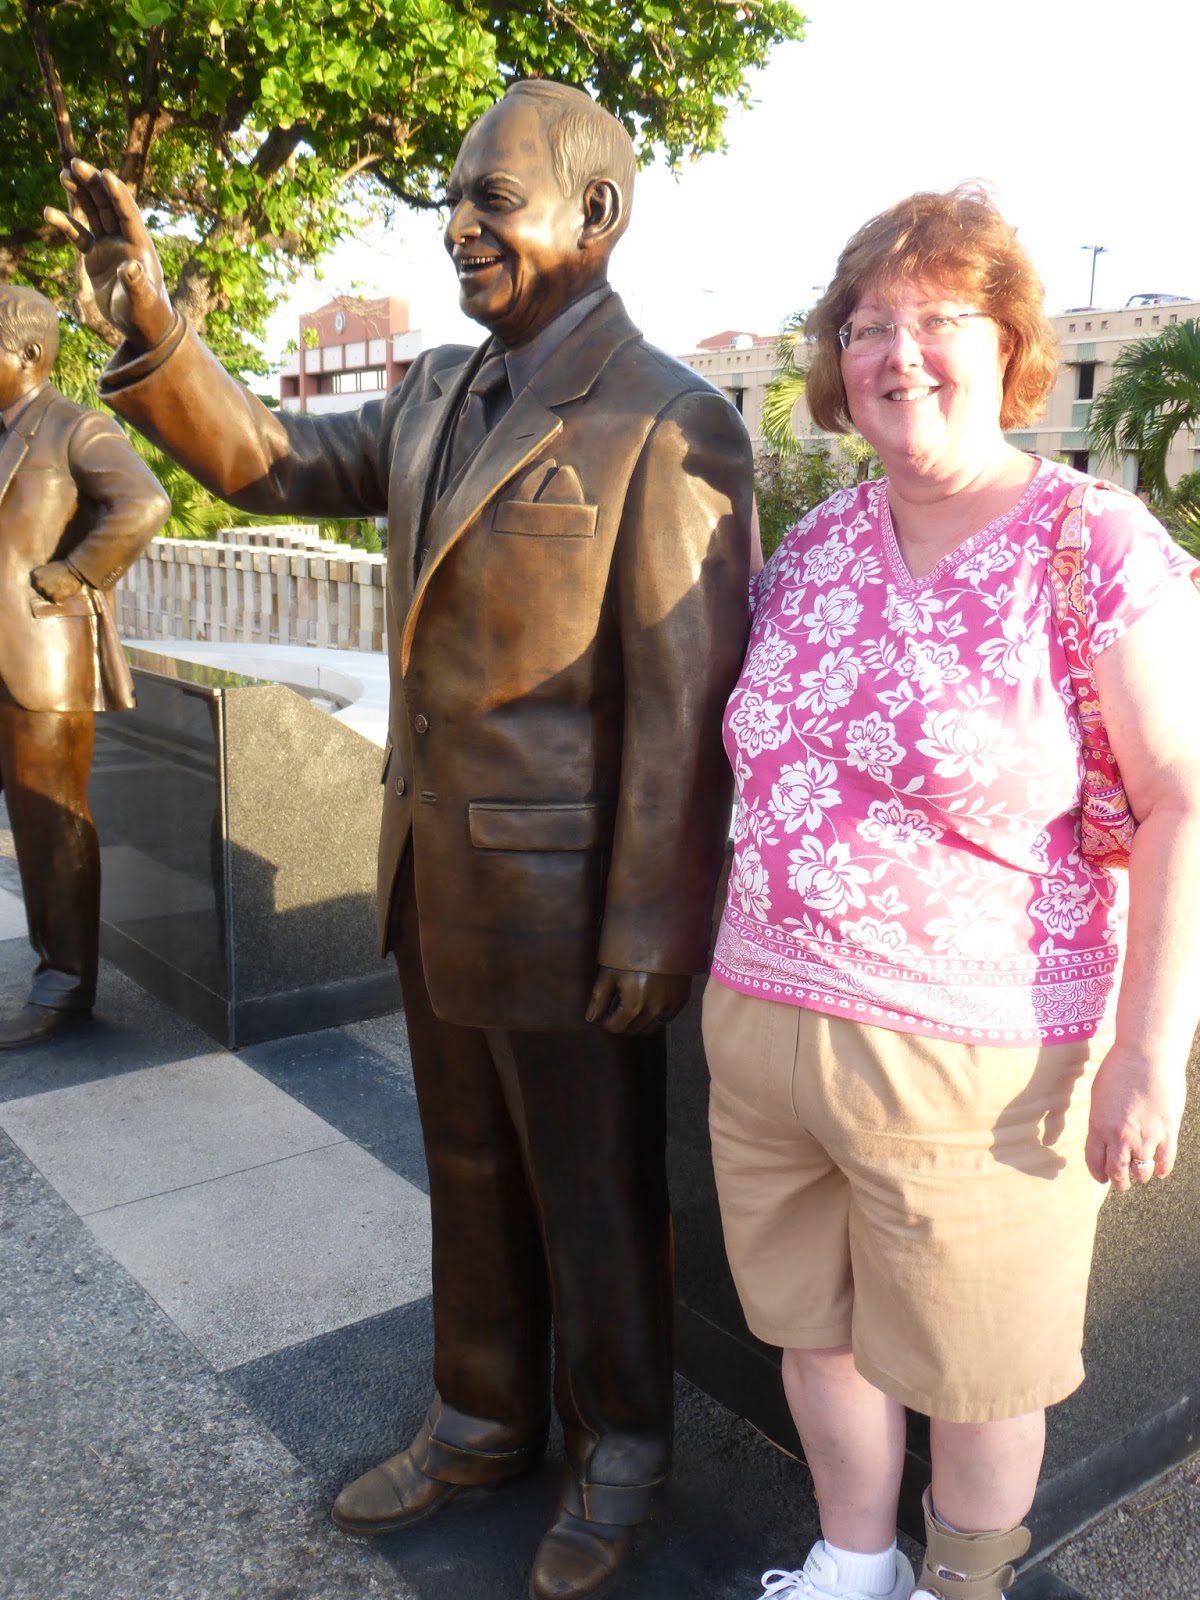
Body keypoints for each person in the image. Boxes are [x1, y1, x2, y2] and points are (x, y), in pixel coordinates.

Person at [47, 80, 752, 1600]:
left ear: (595, 215)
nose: (459, 228)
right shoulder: (435, 394)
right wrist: (156, 325)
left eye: (493, 199)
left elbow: (684, 709)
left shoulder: (667, 421)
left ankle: (619, 1451)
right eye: (451, 197)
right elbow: (264, 460)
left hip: (574, 906)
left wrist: (650, 920)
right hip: (435, 871)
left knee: (595, 1192)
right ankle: (480, 1415)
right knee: (466, 1165)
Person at [702, 184, 1200, 1600]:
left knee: (982, 1373)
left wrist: (1153, 1055)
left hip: (981, 1066)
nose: (898, 352)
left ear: (1010, 347)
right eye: (868, 326)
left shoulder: (1092, 547)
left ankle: (958, 1585)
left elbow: (1184, 802)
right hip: (762, 1022)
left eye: (938, 320)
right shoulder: (813, 546)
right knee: (815, 1331)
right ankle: (852, 1564)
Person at [0, 285, 169, 1050]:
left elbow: (144, 504)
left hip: (40, 656)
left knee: (50, 826)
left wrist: (71, 573)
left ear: (30, 355)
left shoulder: (76, 429)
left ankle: (65, 984)